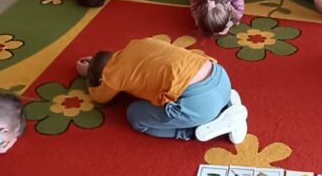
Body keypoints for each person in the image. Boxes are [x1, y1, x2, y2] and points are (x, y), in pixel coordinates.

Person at [77, 36, 247, 143]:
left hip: (200, 105)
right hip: (220, 76)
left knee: (135, 115)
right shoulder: (138, 43)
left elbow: (99, 97)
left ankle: (191, 131)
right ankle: (223, 103)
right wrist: (95, 61)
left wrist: (88, 74)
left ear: (101, 77)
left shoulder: (109, 75)